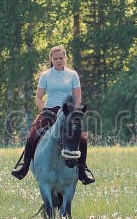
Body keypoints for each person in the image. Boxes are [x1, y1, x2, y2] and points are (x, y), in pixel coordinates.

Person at [11, 45, 95, 184]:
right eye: (55, 58)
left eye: (61, 58)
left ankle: (82, 170)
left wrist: (74, 111)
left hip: (68, 112)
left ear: (65, 58)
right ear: (51, 59)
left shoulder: (73, 75)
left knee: (83, 138)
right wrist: (44, 109)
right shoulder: (46, 76)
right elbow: (38, 98)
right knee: (32, 134)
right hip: (49, 111)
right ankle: (24, 167)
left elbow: (78, 96)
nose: (58, 61)